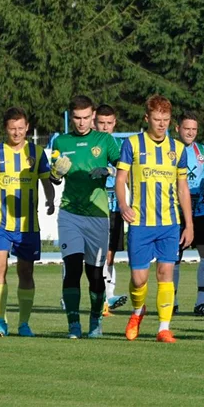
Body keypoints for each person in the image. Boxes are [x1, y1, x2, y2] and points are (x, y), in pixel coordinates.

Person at [0, 107, 55, 337]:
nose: (16, 133)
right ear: (5, 129)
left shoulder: (37, 152)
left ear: (27, 128)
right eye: (12, 128)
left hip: (28, 227)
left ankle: (24, 323)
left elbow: (47, 182)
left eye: (20, 128)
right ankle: (0, 320)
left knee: (26, 273)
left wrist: (51, 200)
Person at [115, 94, 194, 343]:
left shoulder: (178, 149)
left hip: (169, 223)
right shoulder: (132, 144)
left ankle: (163, 328)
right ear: (147, 118)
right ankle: (138, 311)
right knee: (139, 279)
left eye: (166, 120)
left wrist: (188, 224)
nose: (162, 124)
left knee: (165, 273)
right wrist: (123, 205)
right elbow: (120, 179)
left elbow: (183, 189)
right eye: (157, 119)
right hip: (140, 223)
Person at [50, 95, 120, 339]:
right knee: (71, 269)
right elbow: (54, 176)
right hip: (70, 213)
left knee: (94, 273)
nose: (81, 123)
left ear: (93, 117)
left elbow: (125, 168)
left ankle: (95, 320)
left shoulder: (105, 140)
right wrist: (56, 173)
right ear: (72, 117)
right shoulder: (61, 140)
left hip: (98, 215)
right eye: (77, 118)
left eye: (86, 118)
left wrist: (109, 169)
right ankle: (73, 325)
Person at [174, 111, 204, 316]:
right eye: (187, 129)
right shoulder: (169, 150)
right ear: (178, 129)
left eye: (194, 129)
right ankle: (171, 301)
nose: (191, 132)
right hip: (175, 213)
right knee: (173, 257)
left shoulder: (203, 152)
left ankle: (201, 302)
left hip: (200, 212)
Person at [94, 105, 127, 315]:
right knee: (84, 254)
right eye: (101, 123)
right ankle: (66, 294)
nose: (105, 127)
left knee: (109, 255)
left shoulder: (121, 145)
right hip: (92, 206)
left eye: (109, 123)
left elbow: (128, 172)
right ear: (94, 122)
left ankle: (108, 296)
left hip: (114, 206)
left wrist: (110, 170)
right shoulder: (90, 144)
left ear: (114, 123)